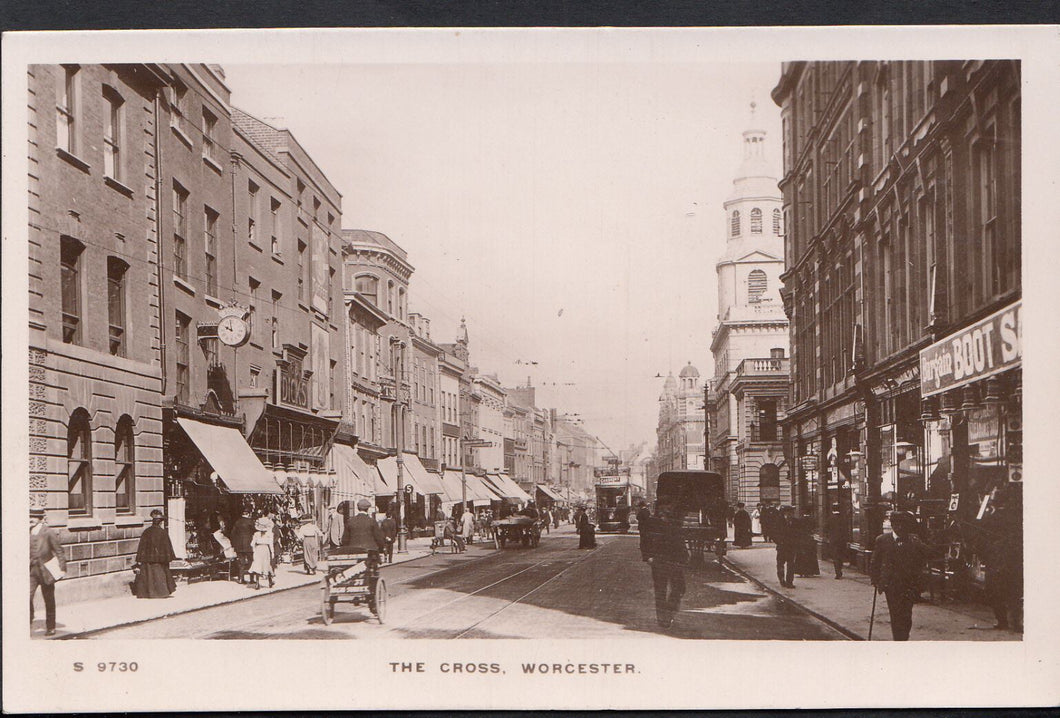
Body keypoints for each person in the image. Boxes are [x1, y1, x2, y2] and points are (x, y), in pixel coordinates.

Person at [869, 510, 928, 641]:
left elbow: (924, 556)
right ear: (892, 525)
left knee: (907, 615)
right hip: (891, 585)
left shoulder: (913, 540)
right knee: (895, 614)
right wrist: (875, 580)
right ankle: (899, 640)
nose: (900, 528)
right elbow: (875, 562)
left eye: (903, 525)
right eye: (897, 524)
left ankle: (903, 638)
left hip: (909, 585)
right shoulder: (882, 540)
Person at [643, 500, 689, 629]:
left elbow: (680, 540)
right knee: (660, 591)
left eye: (668, 508)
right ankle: (663, 618)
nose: (666, 510)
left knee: (680, 588)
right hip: (659, 560)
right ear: (658, 509)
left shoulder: (675, 522)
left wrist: (684, 556)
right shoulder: (652, 523)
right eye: (663, 508)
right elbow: (645, 540)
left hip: (674, 560)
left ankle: (669, 610)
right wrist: (648, 557)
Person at [30, 507, 66, 636]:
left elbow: (59, 551)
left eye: (33, 517)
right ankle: (29, 619)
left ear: (40, 518)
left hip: (46, 571)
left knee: (49, 599)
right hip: (31, 571)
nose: (30, 519)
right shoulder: (27, 531)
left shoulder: (48, 532)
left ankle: (51, 627)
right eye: (29, 516)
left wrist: (62, 569)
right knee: (26, 596)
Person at [133, 509, 177, 598]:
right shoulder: (162, 532)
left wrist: (139, 559)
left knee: (149, 576)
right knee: (160, 575)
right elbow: (167, 547)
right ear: (160, 522)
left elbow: (142, 547)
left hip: (148, 560)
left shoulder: (147, 532)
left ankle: (148, 593)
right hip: (160, 561)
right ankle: (161, 593)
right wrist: (168, 558)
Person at [229, 510, 256, 584]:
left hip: (239, 546)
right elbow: (254, 531)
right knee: (251, 562)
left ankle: (241, 579)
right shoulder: (250, 521)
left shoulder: (237, 522)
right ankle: (251, 579)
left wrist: (234, 544)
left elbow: (232, 534)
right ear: (248, 514)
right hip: (248, 545)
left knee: (241, 563)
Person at [774, 506, 797, 588]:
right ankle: (781, 579)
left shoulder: (795, 522)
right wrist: (779, 541)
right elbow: (774, 533)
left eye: (792, 513)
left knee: (791, 565)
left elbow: (798, 533)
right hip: (782, 547)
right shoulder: (778, 521)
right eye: (788, 513)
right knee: (780, 564)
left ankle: (789, 582)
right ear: (784, 513)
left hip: (791, 547)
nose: (790, 515)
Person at [249, 517, 275, 590]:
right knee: (266, 564)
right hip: (265, 549)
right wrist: (272, 552)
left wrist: (254, 550)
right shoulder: (270, 534)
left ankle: (257, 583)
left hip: (258, 549)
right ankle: (270, 581)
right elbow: (271, 544)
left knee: (258, 565)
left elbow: (252, 544)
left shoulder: (256, 534)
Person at [827, 512, 848, 579]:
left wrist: (829, 536)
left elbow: (825, 528)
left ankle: (838, 572)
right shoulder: (843, 519)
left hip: (833, 541)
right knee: (840, 556)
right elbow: (846, 530)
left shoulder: (830, 519)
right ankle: (840, 570)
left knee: (835, 557)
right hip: (842, 541)